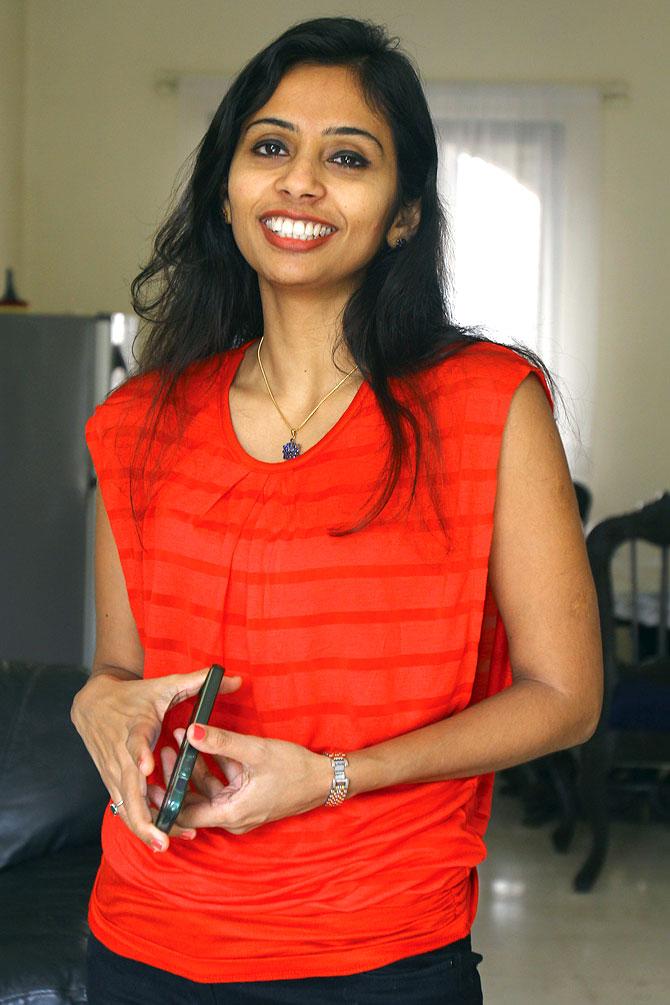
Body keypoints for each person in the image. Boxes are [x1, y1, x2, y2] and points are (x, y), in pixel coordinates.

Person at [71, 15, 603, 1004]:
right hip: (144, 940)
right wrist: (93, 701)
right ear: (225, 192)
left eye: (346, 156)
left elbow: (564, 697)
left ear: (402, 213)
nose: (299, 181)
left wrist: (334, 775)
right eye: (269, 146)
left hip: (382, 953)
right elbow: (121, 671)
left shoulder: (487, 404)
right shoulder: (135, 424)